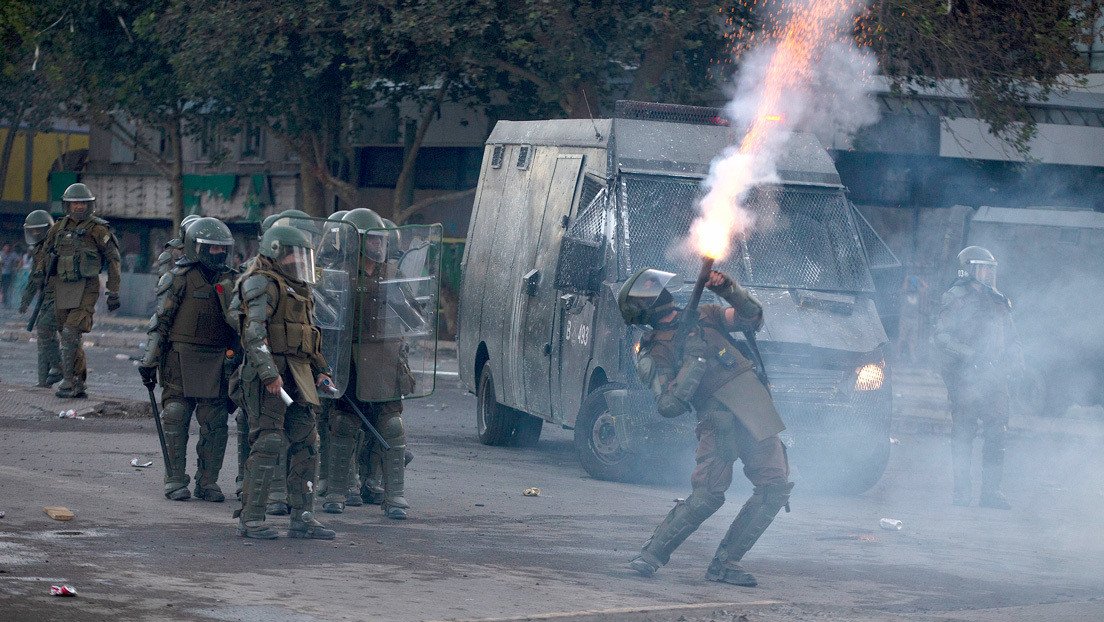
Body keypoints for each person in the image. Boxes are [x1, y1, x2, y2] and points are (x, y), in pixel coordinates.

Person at [619, 268, 792, 587]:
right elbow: (668, 405)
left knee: (774, 489)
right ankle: (652, 555)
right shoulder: (654, 350)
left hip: (755, 409)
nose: (666, 301)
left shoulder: (707, 315)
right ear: (644, 311)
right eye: (654, 298)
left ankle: (725, 564)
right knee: (708, 495)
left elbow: (752, 316)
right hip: (718, 422)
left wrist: (727, 288)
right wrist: (694, 364)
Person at [232, 225, 334, 540]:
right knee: (269, 442)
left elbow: (310, 337)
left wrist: (321, 369)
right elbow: (254, 333)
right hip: (271, 374)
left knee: (307, 441)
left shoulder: (300, 289)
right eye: (295, 254)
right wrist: (268, 373)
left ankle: (303, 516)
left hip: (298, 373)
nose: (300, 261)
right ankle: (252, 518)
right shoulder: (262, 283)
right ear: (276, 251)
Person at [321, 208, 416, 519]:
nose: (379, 245)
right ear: (358, 242)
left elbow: (414, 319)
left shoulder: (393, 274)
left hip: (385, 361)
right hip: (350, 361)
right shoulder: (338, 274)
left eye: (381, 239)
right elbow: (323, 320)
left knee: (392, 425)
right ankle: (336, 491)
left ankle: (395, 496)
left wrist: (408, 304)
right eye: (373, 240)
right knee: (345, 424)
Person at [139, 217, 239, 502]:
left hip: (217, 360)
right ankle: (175, 479)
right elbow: (161, 321)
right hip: (179, 360)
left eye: (223, 248)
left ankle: (207, 482)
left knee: (216, 423)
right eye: (213, 248)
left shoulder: (232, 279)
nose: (219, 253)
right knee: (175, 415)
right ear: (197, 248)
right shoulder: (178, 278)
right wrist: (149, 360)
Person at [934, 246, 1022, 509]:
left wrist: (1015, 361)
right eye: (982, 267)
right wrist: (970, 355)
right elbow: (942, 336)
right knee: (963, 435)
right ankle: (961, 492)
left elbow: (1012, 337)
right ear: (968, 269)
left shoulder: (998, 300)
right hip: (966, 378)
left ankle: (991, 493)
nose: (987, 273)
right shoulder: (955, 298)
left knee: (997, 434)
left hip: (994, 378)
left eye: (990, 268)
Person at [41, 182, 122, 398]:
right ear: (67, 205)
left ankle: (69, 381)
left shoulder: (98, 229)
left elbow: (114, 259)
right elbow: (45, 255)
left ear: (89, 205)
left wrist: (113, 291)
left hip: (86, 287)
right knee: (68, 336)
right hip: (62, 287)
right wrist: (43, 283)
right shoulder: (58, 229)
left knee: (70, 331)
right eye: (74, 203)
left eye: (82, 203)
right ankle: (77, 382)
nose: (78, 207)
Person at [19, 211, 62, 387]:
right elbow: (33, 278)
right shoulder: (38, 250)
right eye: (33, 231)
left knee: (45, 330)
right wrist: (25, 301)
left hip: (59, 296)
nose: (35, 234)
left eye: (39, 230)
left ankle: (60, 368)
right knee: (43, 337)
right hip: (45, 297)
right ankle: (43, 381)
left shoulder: (57, 247)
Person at [896, 274, 928, 364]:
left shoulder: (918, 295)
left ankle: (912, 356)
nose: (912, 290)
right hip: (904, 319)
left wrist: (919, 279)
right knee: (902, 338)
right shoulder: (904, 294)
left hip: (914, 320)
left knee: (913, 339)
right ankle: (898, 354)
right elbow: (904, 288)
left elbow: (925, 287)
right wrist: (907, 279)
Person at [1, 242, 22, 308]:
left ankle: (9, 303)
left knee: (10, 288)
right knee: (4, 289)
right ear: (3, 247)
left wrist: (18, 268)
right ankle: (5, 302)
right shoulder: (0, 254)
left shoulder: (13, 254)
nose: (7, 248)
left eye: (8, 247)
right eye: (5, 247)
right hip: (2, 274)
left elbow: (20, 261)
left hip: (10, 274)